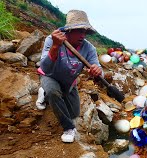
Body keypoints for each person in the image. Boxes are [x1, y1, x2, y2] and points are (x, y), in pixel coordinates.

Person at [39, 10, 102, 143]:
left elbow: (98, 69)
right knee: (53, 91)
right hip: (50, 76)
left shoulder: (89, 49)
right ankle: (68, 128)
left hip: (69, 82)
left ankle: (44, 94)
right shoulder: (52, 40)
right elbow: (45, 67)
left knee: (74, 113)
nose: (82, 35)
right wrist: (55, 46)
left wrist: (97, 71)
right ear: (68, 30)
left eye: (84, 32)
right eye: (79, 31)